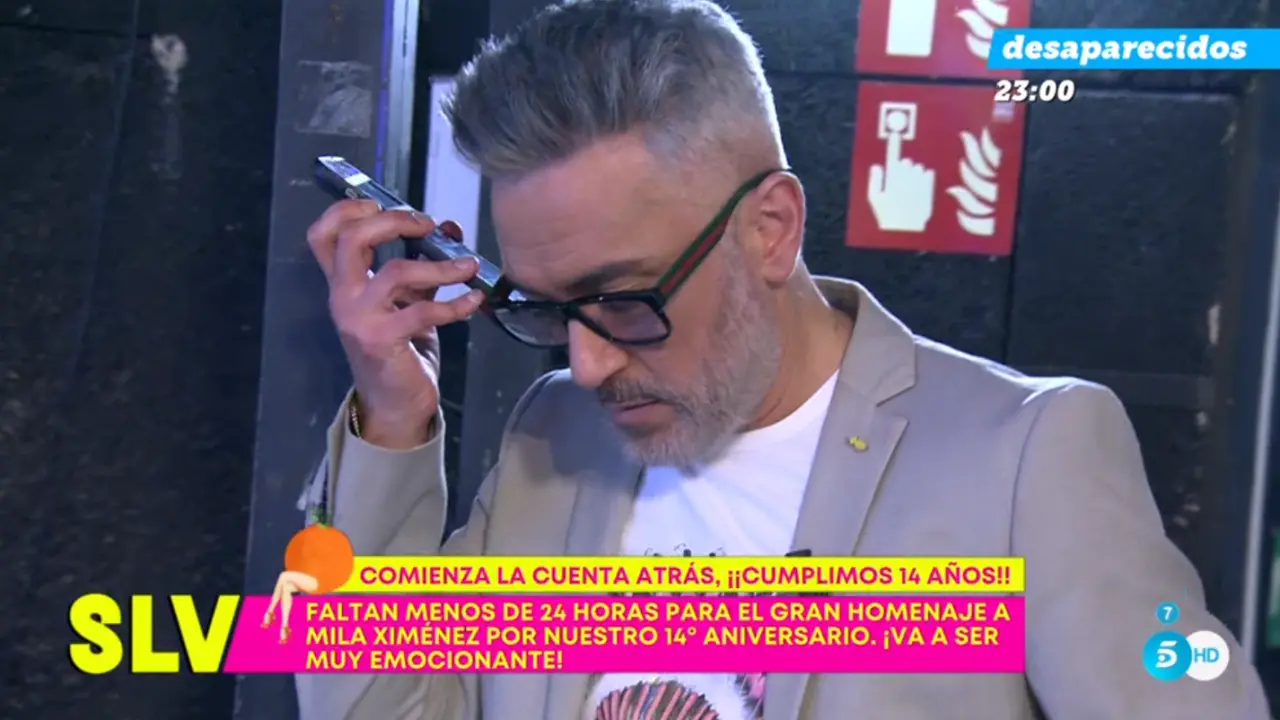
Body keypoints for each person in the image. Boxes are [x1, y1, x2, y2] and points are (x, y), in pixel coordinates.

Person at [294, 1, 1271, 718]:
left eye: (626, 300)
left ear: (769, 228)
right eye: (549, 310)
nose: (586, 366)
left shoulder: (1026, 454)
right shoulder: (554, 435)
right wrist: (393, 419)